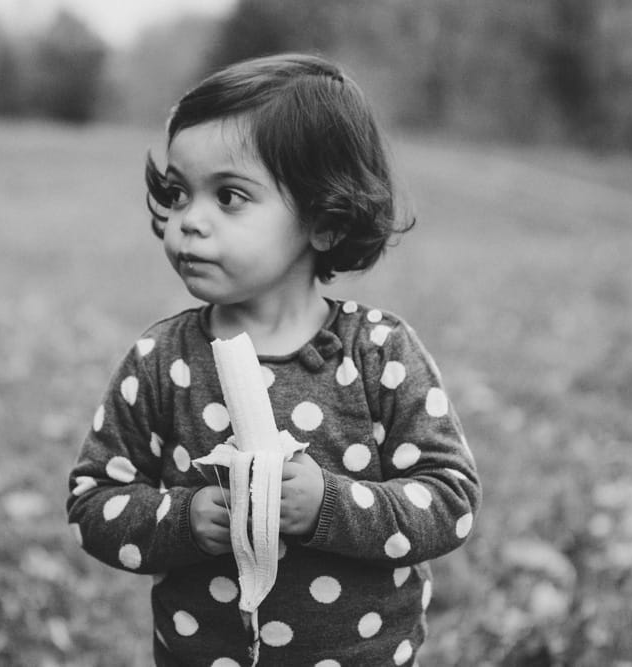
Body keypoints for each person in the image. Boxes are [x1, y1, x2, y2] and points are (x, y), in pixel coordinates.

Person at [67, 53, 481, 666]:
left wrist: (331, 505)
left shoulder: (378, 353)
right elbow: (93, 501)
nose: (190, 222)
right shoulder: (159, 361)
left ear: (323, 220)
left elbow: (449, 500)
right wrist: (182, 520)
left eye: (229, 196)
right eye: (179, 192)